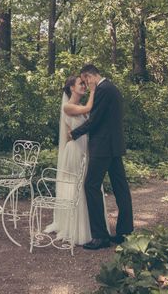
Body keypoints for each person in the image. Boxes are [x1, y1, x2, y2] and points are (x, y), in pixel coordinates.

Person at [70, 64, 134, 250]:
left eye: (86, 80)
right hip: (113, 146)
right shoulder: (112, 88)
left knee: (90, 185)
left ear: (90, 76)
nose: (86, 84)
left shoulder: (103, 90)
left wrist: (74, 134)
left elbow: (94, 120)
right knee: (120, 187)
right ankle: (124, 232)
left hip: (103, 147)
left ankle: (100, 237)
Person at [43, 75, 102, 245]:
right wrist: (93, 89)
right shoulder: (67, 107)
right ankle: (73, 226)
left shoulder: (81, 106)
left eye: (85, 84)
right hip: (74, 151)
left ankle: (88, 225)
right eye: (80, 84)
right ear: (71, 88)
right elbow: (91, 107)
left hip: (84, 150)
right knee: (75, 187)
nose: (83, 86)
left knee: (84, 186)